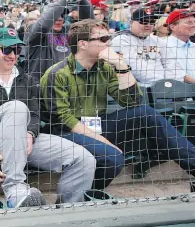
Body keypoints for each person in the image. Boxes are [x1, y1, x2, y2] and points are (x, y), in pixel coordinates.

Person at [40, 19, 195, 194]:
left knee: (145, 113)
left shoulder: (105, 68)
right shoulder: (57, 73)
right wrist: (105, 141)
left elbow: (133, 102)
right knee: (113, 156)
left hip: (96, 124)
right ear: (83, 44)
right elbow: (62, 118)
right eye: (103, 39)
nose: (109, 42)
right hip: (64, 132)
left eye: (109, 38)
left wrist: (121, 67)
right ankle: (87, 196)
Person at [0, 28, 95, 207]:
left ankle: (69, 211)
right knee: (17, 107)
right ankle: (15, 192)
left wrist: (31, 133)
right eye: (7, 49)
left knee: (83, 158)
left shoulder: (28, 80)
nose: (13, 55)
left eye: (17, 50)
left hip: (21, 141)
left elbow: (35, 114)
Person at [111, 8, 186, 87]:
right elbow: (136, 69)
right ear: (131, 23)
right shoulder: (120, 40)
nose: (148, 25)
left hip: (168, 88)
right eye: (144, 22)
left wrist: (170, 83)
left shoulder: (157, 40)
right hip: (139, 90)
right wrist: (162, 83)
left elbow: (171, 64)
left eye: (152, 22)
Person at [24, 0, 93, 80]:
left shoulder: (67, 30)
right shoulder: (33, 30)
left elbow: (89, 24)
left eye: (62, 15)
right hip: (39, 87)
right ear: (44, 16)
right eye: (56, 15)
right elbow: (43, 26)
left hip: (65, 85)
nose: (59, 19)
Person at [160, 9, 195, 83]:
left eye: (194, 22)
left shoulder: (194, 46)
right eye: (189, 22)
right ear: (173, 27)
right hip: (177, 92)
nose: (194, 25)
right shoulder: (162, 46)